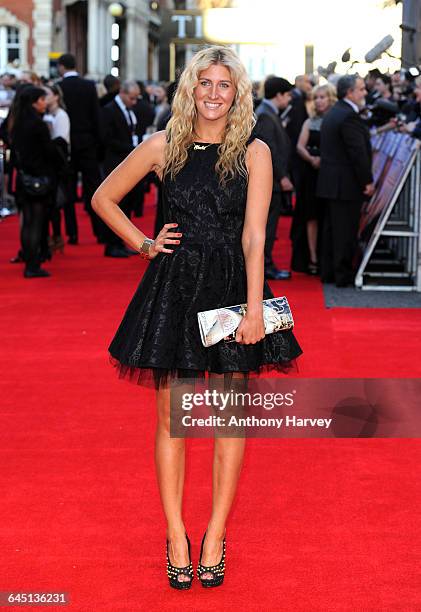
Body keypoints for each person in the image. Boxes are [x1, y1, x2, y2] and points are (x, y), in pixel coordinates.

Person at [92, 45, 302, 589]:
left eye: (223, 84)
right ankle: (176, 533)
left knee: (229, 419)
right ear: (190, 89)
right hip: (177, 287)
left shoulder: (254, 152)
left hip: (232, 287)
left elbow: (256, 236)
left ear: (237, 93)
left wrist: (256, 309)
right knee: (174, 420)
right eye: (204, 83)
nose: (213, 93)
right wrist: (143, 244)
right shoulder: (164, 146)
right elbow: (103, 198)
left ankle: (214, 533)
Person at [317, 75, 374, 287]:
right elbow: (357, 153)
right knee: (344, 232)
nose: (365, 93)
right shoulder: (349, 116)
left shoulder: (336, 112)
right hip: (345, 184)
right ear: (350, 92)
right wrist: (367, 181)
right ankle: (341, 275)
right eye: (361, 89)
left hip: (333, 182)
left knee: (332, 230)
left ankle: (329, 272)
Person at [57, 53, 108, 247]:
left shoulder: (59, 87)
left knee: (69, 192)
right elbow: (96, 116)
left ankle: (72, 234)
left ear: (62, 67)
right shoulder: (88, 86)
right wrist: (98, 143)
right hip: (88, 144)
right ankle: (100, 233)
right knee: (95, 189)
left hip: (68, 145)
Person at [11, 86, 57, 277]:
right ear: (34, 102)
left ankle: (30, 262)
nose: (44, 103)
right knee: (36, 223)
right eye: (41, 99)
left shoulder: (17, 123)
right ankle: (32, 265)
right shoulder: (37, 124)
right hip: (38, 179)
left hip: (24, 178)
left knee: (27, 222)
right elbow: (48, 151)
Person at [291, 83, 337, 274]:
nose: (318, 101)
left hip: (331, 174)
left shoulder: (335, 121)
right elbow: (300, 146)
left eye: (322, 97)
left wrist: (324, 159)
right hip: (311, 175)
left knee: (328, 216)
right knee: (311, 217)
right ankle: (313, 258)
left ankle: (327, 256)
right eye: (316, 98)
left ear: (331, 98)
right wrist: (311, 159)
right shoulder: (310, 122)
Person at [253, 76, 294, 280]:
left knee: (268, 226)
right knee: (267, 227)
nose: (289, 99)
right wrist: (283, 176)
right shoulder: (266, 116)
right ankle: (265, 265)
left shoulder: (268, 113)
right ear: (278, 95)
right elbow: (270, 150)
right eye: (287, 95)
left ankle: (266, 264)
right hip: (271, 182)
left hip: (272, 181)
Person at [101, 80, 143, 257]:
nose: (134, 102)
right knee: (115, 203)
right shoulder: (109, 110)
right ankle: (112, 244)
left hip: (126, 160)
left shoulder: (128, 111)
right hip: (114, 162)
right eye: (132, 98)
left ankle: (119, 243)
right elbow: (106, 139)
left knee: (126, 204)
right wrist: (133, 148)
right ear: (123, 93)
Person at [44, 84, 71, 254]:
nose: (44, 98)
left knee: (56, 202)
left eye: (46, 94)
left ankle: (57, 236)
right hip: (49, 164)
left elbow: (60, 140)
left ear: (55, 96)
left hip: (58, 165)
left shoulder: (61, 115)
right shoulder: (47, 115)